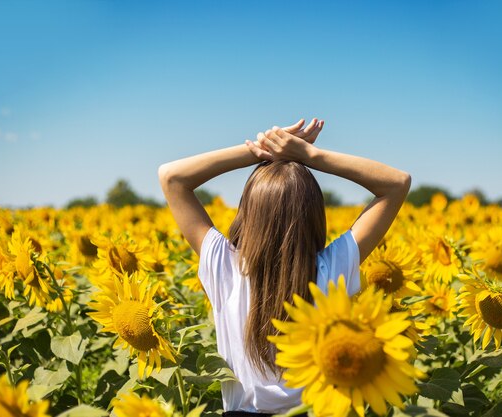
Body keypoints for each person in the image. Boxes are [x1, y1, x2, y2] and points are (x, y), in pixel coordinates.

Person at [158, 118, 411, 416]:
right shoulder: (330, 270)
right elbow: (396, 184)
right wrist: (309, 156)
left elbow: (171, 177)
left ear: (247, 212)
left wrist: (258, 150)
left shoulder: (224, 265)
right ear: (314, 214)